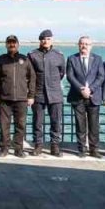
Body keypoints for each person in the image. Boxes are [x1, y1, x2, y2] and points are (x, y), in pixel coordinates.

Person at [0, 36, 35, 158]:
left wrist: (31, 95)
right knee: (4, 125)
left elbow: (32, 78)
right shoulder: (0, 60)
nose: (12, 45)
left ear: (18, 44)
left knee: (20, 125)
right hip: (4, 99)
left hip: (21, 99)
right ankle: (4, 148)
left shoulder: (25, 59)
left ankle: (18, 149)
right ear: (6, 45)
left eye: (14, 43)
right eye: (9, 43)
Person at [65, 36, 105, 158]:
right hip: (77, 96)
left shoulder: (98, 59)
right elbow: (70, 76)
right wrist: (81, 89)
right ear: (78, 45)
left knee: (94, 125)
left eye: (87, 44)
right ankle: (82, 149)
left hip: (94, 96)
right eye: (82, 44)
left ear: (91, 46)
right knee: (80, 124)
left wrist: (90, 89)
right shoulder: (72, 58)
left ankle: (94, 149)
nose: (84, 46)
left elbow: (101, 76)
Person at [28, 29, 66, 157]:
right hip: (38, 93)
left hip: (55, 94)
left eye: (48, 38)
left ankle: (54, 146)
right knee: (37, 122)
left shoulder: (59, 55)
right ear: (40, 40)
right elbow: (30, 75)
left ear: (52, 40)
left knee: (56, 122)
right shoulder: (32, 55)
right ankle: (38, 145)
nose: (46, 41)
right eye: (43, 39)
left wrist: (52, 84)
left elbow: (62, 72)